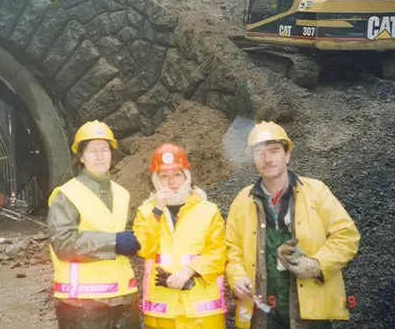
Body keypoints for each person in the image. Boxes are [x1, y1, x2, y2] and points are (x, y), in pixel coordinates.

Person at [225, 121, 360, 328]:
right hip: (261, 312)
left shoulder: (316, 192)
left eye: (274, 151)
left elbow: (347, 236)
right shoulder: (243, 201)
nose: (268, 159)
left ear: (287, 155)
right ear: (253, 159)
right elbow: (231, 249)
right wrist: (237, 277)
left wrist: (317, 264)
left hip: (310, 311)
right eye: (260, 152)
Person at [47, 120, 141, 329]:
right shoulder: (67, 196)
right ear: (81, 156)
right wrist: (113, 242)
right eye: (92, 150)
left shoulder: (122, 194)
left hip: (124, 298)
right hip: (82, 305)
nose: (100, 156)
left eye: (104, 149)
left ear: (112, 154)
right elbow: (63, 244)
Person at [133, 144, 227, 329]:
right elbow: (143, 249)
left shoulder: (208, 211)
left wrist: (189, 270)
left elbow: (219, 253)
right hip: (162, 310)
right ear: (155, 180)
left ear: (187, 177)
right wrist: (157, 210)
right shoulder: (146, 212)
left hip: (202, 311)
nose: (171, 182)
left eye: (177, 174)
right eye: (164, 176)